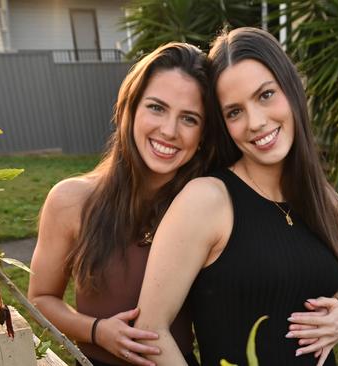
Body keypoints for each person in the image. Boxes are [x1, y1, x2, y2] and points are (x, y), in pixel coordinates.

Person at [135, 27, 338, 366]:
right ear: (223, 124)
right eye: (234, 112)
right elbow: (151, 331)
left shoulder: (327, 202)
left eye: (266, 95)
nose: (255, 122)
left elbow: (324, 299)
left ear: (292, 90)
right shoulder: (207, 200)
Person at [28, 42, 211, 366]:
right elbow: (40, 299)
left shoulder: (207, 210)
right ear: (129, 109)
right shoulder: (71, 200)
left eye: (189, 118)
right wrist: (98, 331)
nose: (169, 131)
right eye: (156, 107)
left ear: (202, 136)